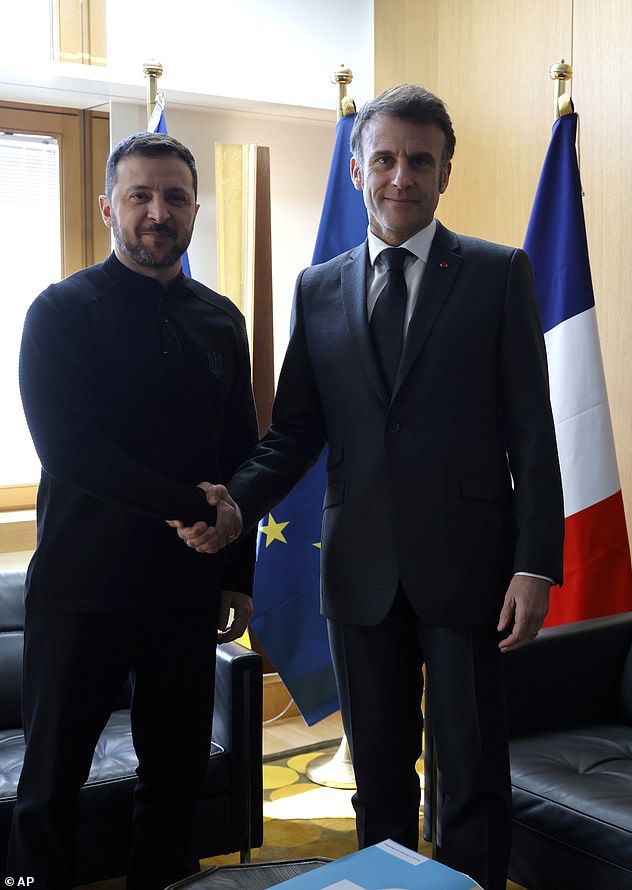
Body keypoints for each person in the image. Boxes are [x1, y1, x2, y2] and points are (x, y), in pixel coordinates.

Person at [173, 84, 564, 890]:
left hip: (470, 576)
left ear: (446, 171)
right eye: (383, 158)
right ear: (356, 170)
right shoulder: (318, 288)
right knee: (379, 782)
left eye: (421, 160)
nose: (401, 176)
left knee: (472, 780)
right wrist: (239, 500)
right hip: (357, 575)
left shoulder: (497, 274)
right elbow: (294, 431)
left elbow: (533, 430)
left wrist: (536, 562)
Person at [7, 132, 259, 889]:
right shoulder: (58, 312)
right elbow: (72, 451)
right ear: (107, 206)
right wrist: (192, 506)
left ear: (194, 209)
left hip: (184, 592)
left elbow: (239, 455)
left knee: (174, 776)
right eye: (141, 196)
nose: (158, 212)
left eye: (174, 197)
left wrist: (236, 573)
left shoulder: (221, 319)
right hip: (82, 592)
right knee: (50, 783)